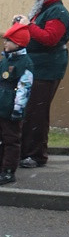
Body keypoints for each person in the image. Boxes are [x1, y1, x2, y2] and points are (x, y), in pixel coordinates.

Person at [15, 0, 69, 169]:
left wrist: (28, 26)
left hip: (47, 68)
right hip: (35, 65)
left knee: (37, 111)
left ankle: (35, 154)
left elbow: (50, 38)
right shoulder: (43, 10)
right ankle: (24, 151)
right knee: (28, 110)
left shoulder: (58, 13)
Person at [0, 23, 34, 185]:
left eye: (8, 41)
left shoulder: (24, 63)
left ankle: (8, 171)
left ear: (18, 43)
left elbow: (24, 88)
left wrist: (17, 109)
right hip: (1, 106)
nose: (5, 43)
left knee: (11, 140)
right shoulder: (5, 60)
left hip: (11, 109)